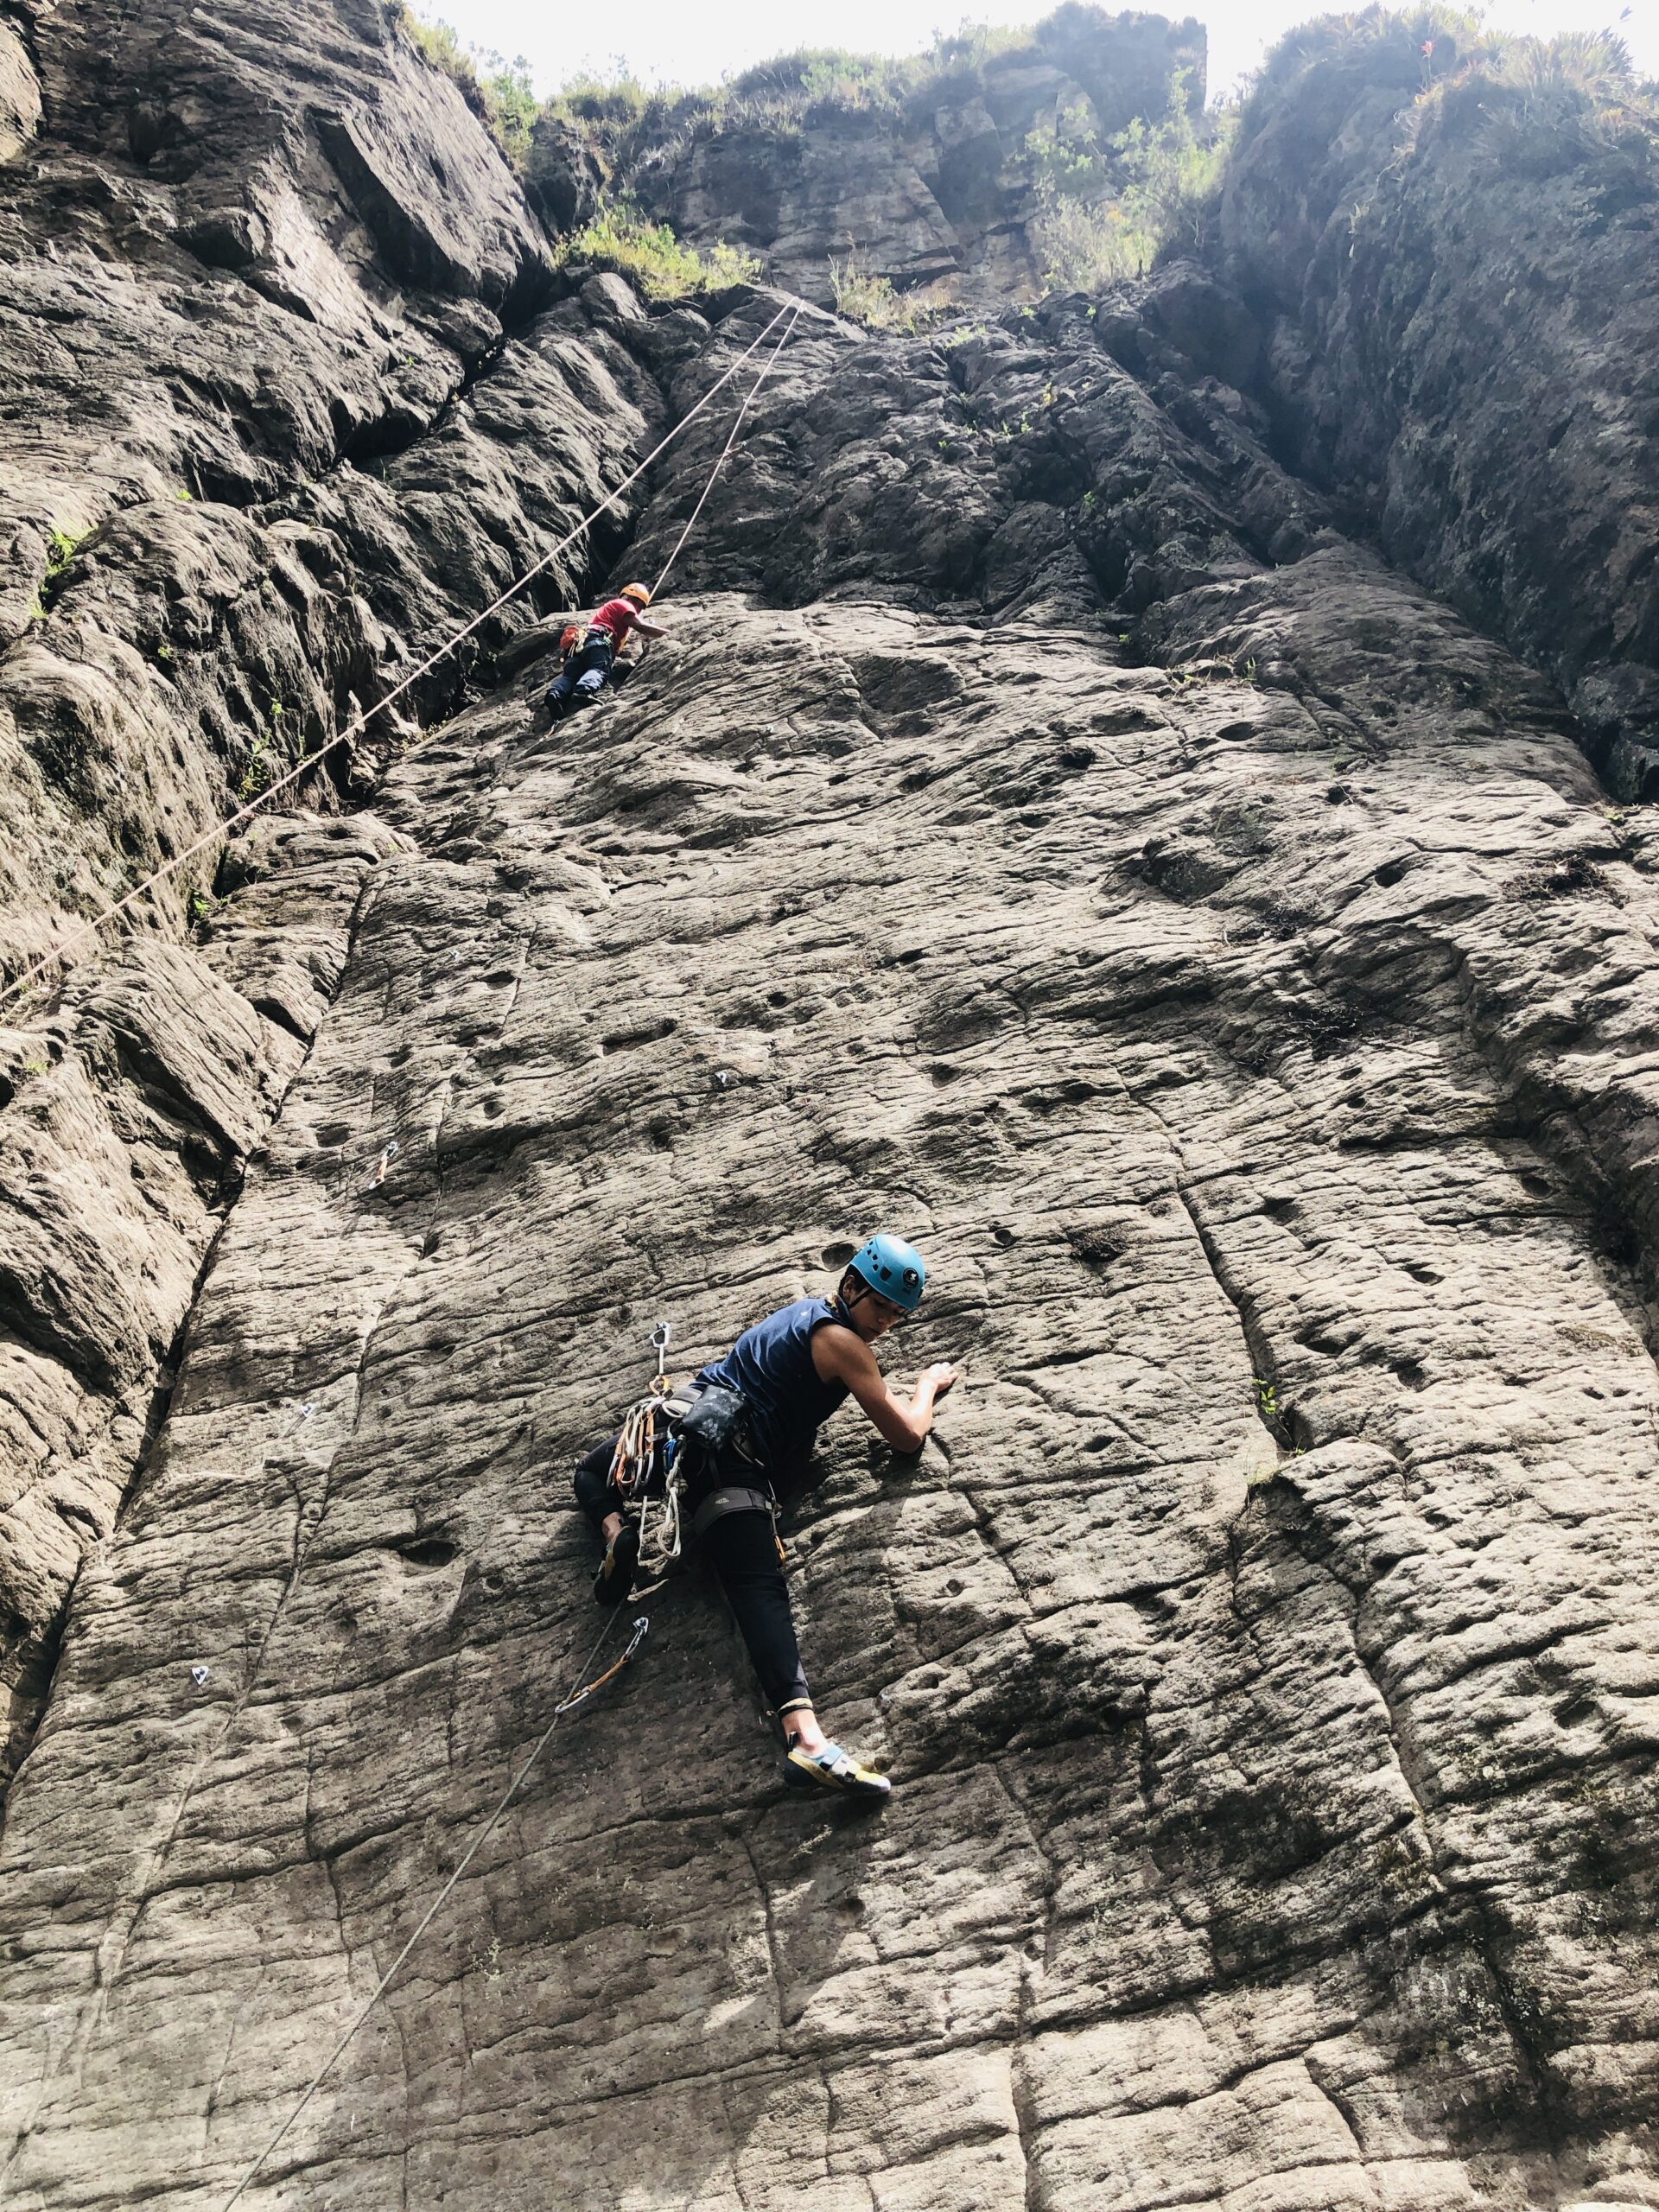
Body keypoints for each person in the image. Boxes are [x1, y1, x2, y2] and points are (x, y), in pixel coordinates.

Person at [572, 1236, 960, 1802]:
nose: (884, 1323)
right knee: (757, 1590)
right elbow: (906, 1436)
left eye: (896, 1314)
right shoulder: (845, 1344)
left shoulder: (795, 1313)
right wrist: (926, 1386)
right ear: (851, 1285)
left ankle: (615, 1534)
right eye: (879, 1306)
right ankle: (806, 1741)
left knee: (592, 1474)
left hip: (678, 1430)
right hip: (731, 1465)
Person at [545, 582, 666, 717]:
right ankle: (583, 691)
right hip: (598, 642)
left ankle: (555, 695)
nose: (637, 610)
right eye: (639, 606)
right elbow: (641, 626)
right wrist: (669, 632)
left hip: (579, 645)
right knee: (599, 669)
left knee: (571, 676)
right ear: (632, 599)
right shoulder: (623, 604)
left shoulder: (607, 611)